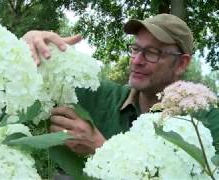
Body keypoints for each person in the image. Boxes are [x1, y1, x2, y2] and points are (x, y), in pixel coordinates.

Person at [23, 13, 219, 155]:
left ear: (181, 64)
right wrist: (28, 44)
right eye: (135, 49)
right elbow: (31, 85)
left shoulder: (208, 121)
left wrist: (101, 149)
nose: (136, 60)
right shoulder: (101, 96)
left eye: (152, 53)